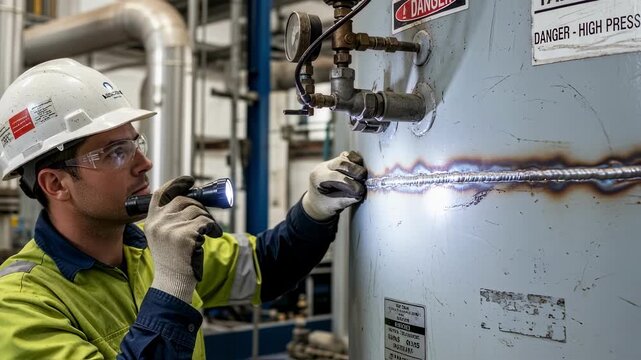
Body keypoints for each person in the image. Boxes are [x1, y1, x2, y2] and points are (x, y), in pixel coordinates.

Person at [0, 58, 367, 359]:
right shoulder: (19, 306)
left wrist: (315, 208)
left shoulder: (150, 247)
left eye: (135, 143)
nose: (144, 162)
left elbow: (266, 265)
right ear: (55, 184)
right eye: (116, 152)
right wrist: (172, 284)